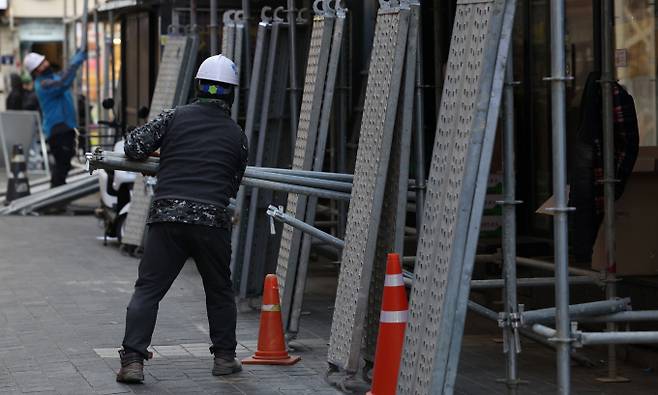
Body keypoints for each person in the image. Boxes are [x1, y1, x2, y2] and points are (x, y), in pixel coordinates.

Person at [116, 54, 248, 383]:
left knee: (148, 290)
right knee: (219, 290)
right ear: (231, 93)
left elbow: (133, 147)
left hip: (167, 217)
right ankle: (224, 358)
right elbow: (232, 185)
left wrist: (164, 153)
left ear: (198, 86)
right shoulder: (237, 136)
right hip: (212, 222)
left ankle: (133, 361)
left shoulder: (174, 118)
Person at [24, 50, 87, 187]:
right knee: (62, 166)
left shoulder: (52, 78)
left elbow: (64, 77)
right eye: (41, 64)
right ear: (36, 71)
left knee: (63, 165)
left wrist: (72, 63)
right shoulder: (44, 84)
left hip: (64, 127)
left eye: (44, 61)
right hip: (58, 129)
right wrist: (75, 63)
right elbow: (64, 82)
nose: (46, 64)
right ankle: (56, 201)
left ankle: (58, 200)